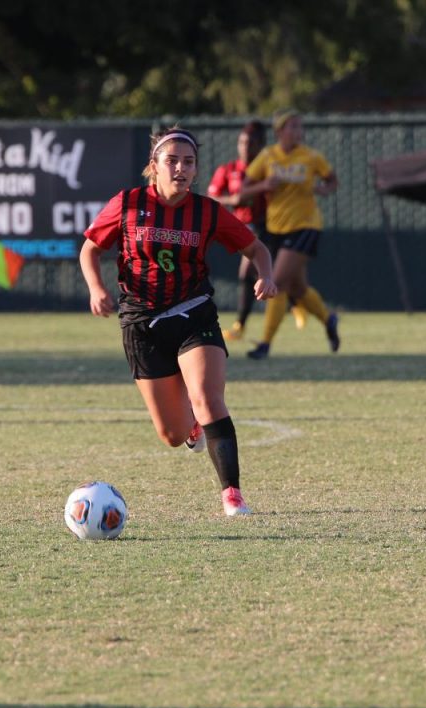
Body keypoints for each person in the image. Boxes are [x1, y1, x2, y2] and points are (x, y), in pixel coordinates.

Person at [80, 126, 277, 517]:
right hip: (141, 321)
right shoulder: (129, 203)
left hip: (193, 311)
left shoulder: (206, 211)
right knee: (171, 435)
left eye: (189, 162)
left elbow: (256, 248)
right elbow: (90, 249)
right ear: (153, 166)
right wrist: (96, 288)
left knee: (208, 399)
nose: (181, 169)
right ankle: (191, 427)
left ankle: (232, 494)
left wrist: (266, 275)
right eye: (172, 161)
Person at [238, 110, 340, 359]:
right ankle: (328, 319)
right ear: (279, 131)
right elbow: (243, 190)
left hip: (305, 225)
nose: (297, 131)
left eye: (299, 127)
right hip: (275, 228)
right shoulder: (268, 156)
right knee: (298, 288)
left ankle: (264, 344)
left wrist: (324, 189)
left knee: (279, 281)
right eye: (292, 126)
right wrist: (264, 185)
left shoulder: (311, 156)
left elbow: (332, 180)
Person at [207, 120, 269, 340]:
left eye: (251, 142)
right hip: (237, 228)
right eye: (242, 142)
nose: (245, 147)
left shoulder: (266, 169)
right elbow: (212, 196)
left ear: (260, 145)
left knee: (247, 272)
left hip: (264, 227)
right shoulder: (228, 169)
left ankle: (239, 325)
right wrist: (233, 199)